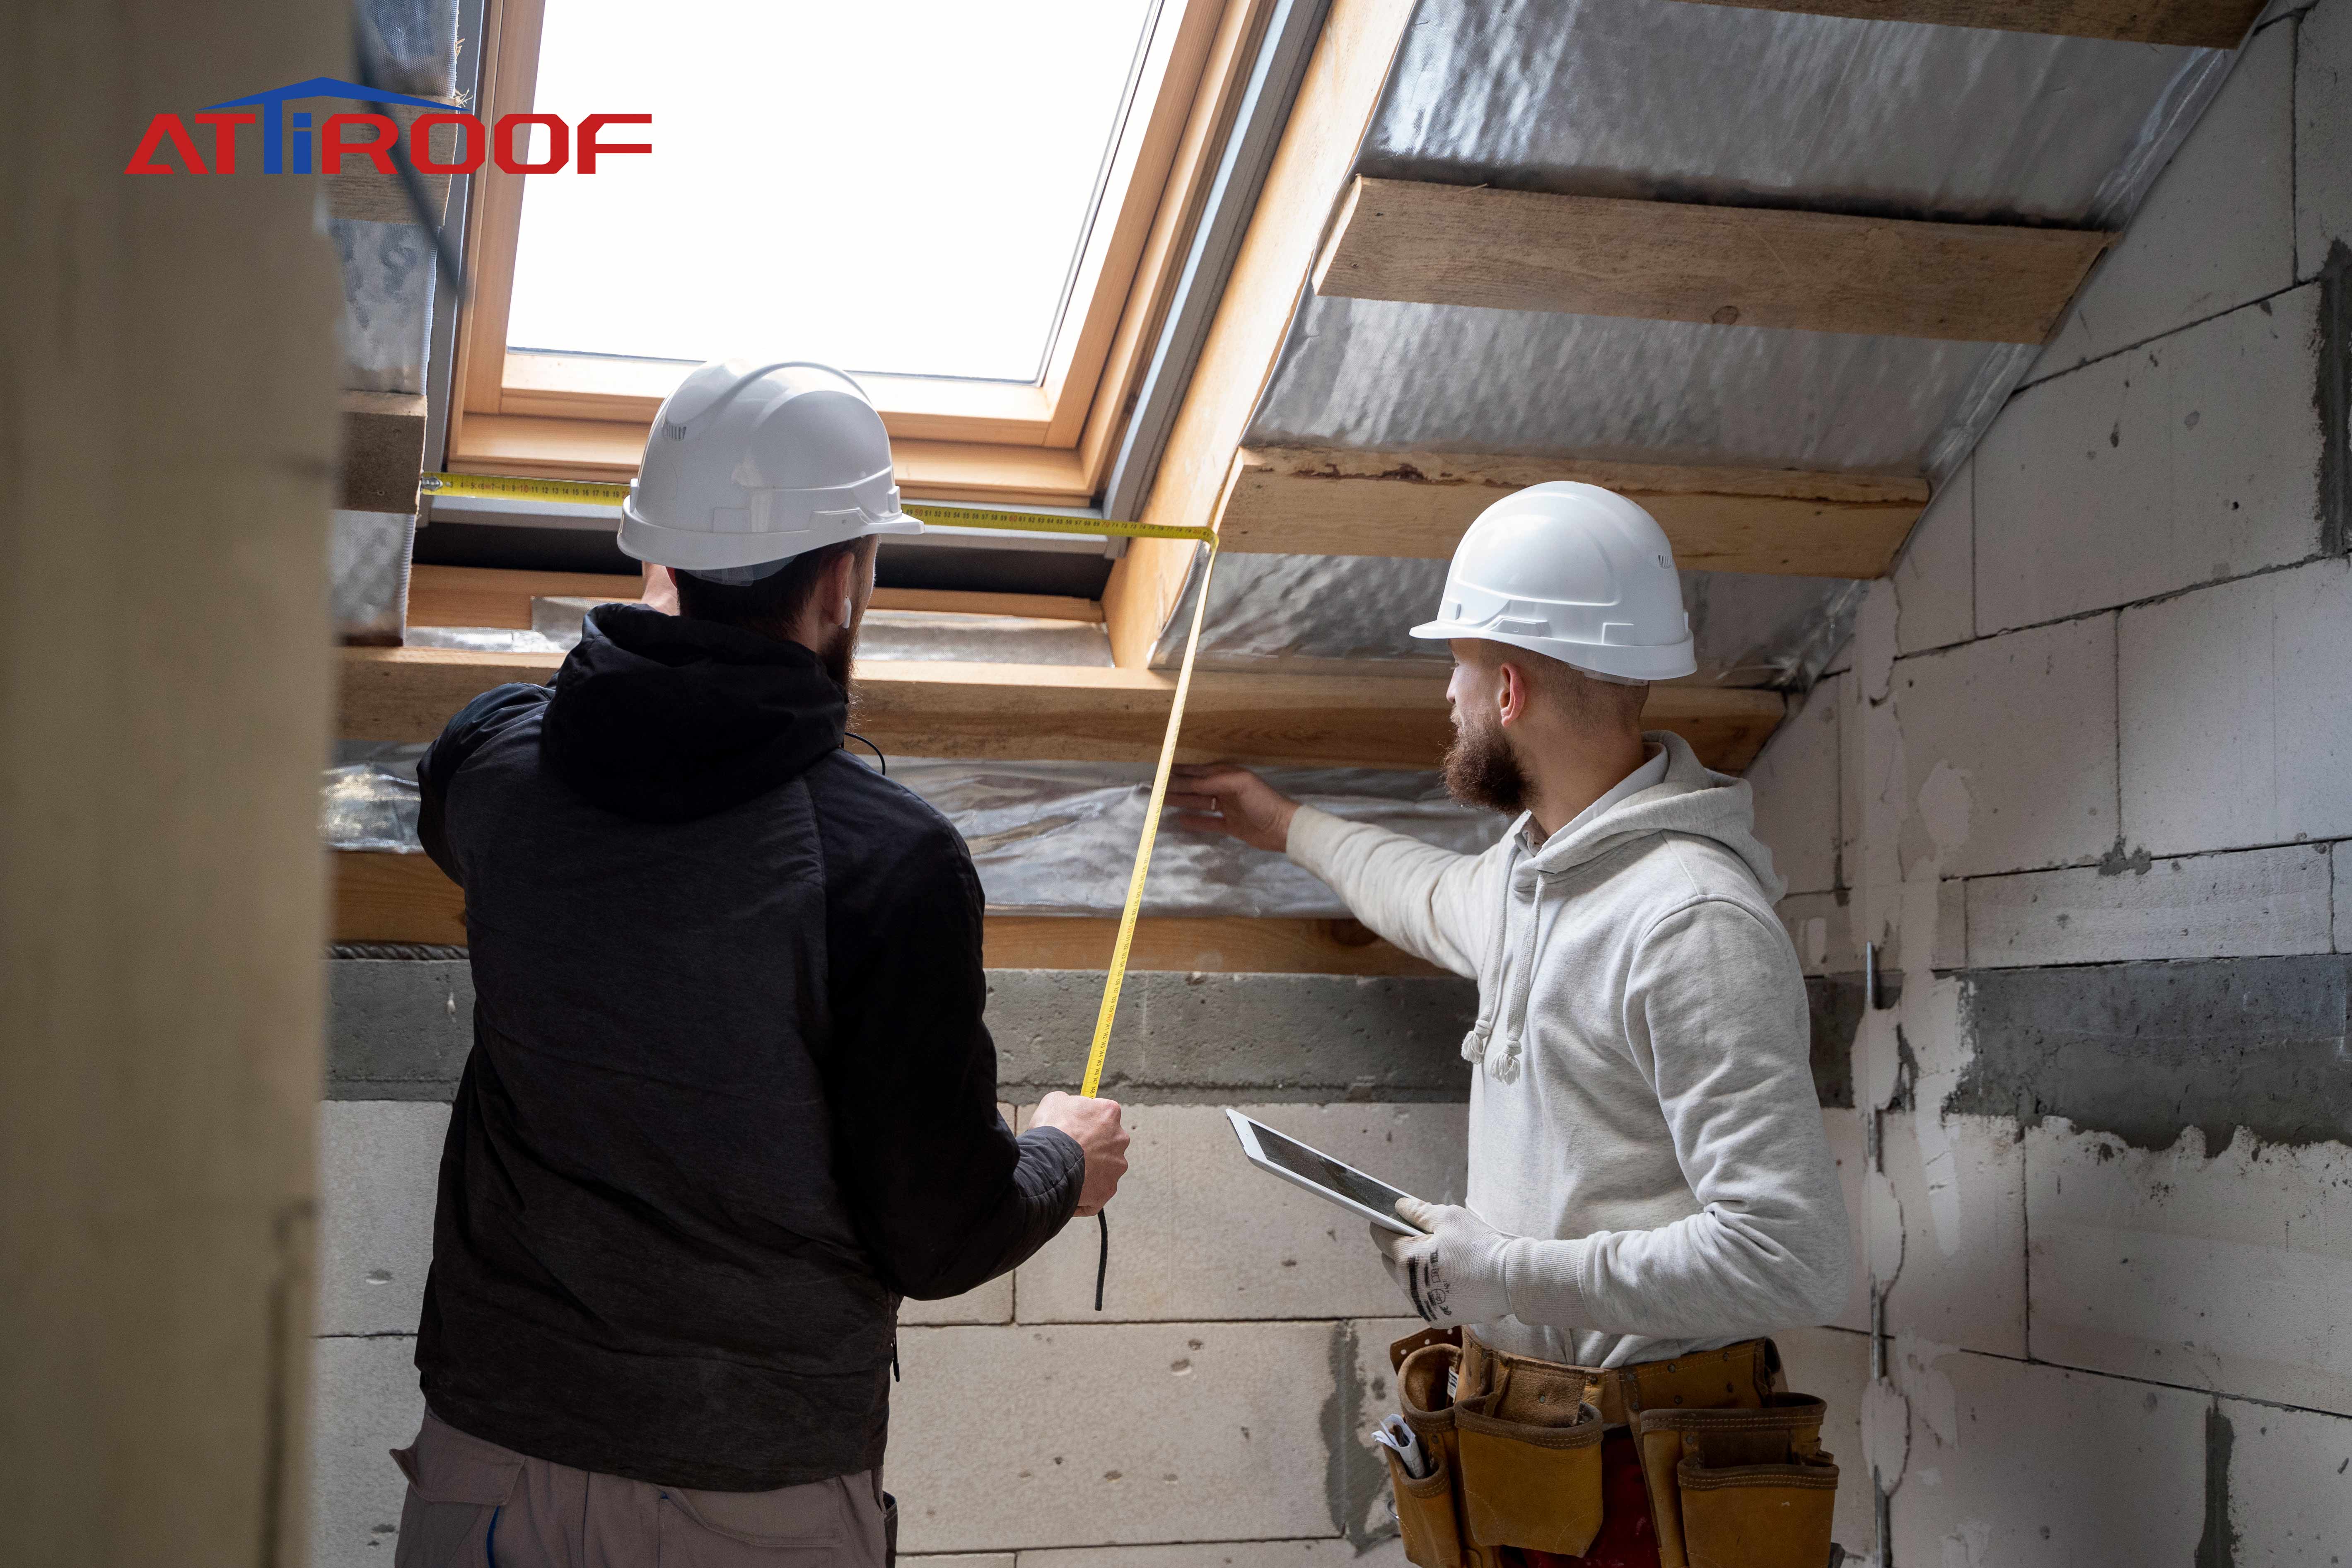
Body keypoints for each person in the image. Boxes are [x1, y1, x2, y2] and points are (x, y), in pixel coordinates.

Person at [393, 360, 1129, 1568]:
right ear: (842, 583)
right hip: (751, 1497)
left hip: (489, 1459)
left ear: (656, 565)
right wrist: (1062, 1159)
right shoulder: (892, 865)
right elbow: (939, 1234)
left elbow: (475, 785)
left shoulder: (495, 771)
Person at [1171, 483, 1848, 1567]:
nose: (1448, 694)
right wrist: (1281, 822)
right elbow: (1425, 894)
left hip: (1648, 1473)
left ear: (1512, 687)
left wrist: (1515, 1272)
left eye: (1461, 666)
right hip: (1545, 1454)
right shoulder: (1536, 876)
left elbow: (1791, 1255)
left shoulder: (1689, 919)